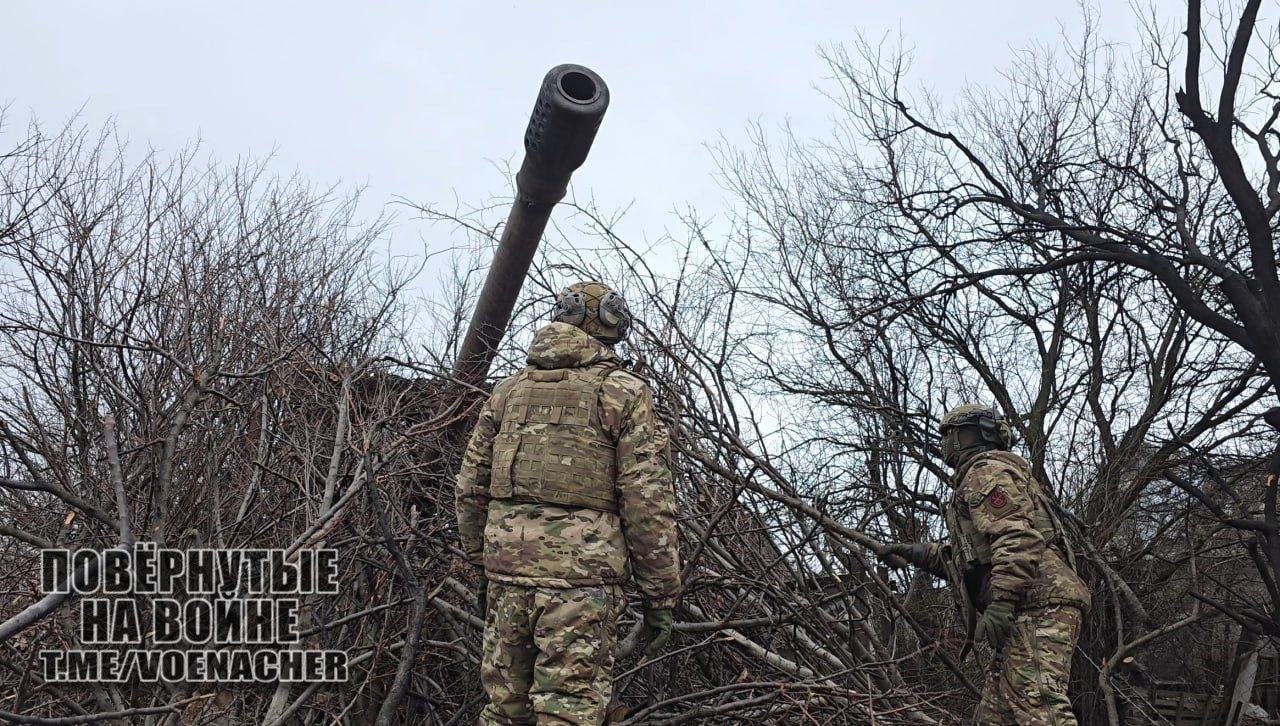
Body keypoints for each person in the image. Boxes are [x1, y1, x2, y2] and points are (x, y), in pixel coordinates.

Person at [455, 281, 681, 725]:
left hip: (507, 572)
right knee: (569, 710)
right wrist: (660, 595)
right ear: (613, 323)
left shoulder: (507, 392)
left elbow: (470, 487)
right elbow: (646, 500)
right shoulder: (623, 392)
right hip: (581, 584)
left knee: (504, 711)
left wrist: (483, 565)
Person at [881, 403, 1091, 726]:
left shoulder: (987, 471)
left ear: (965, 435)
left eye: (948, 435)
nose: (944, 445)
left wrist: (1002, 604)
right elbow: (963, 559)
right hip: (1027, 605)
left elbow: (1018, 539)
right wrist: (913, 553)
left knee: (1039, 706)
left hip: (1038, 606)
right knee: (996, 715)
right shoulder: (983, 474)